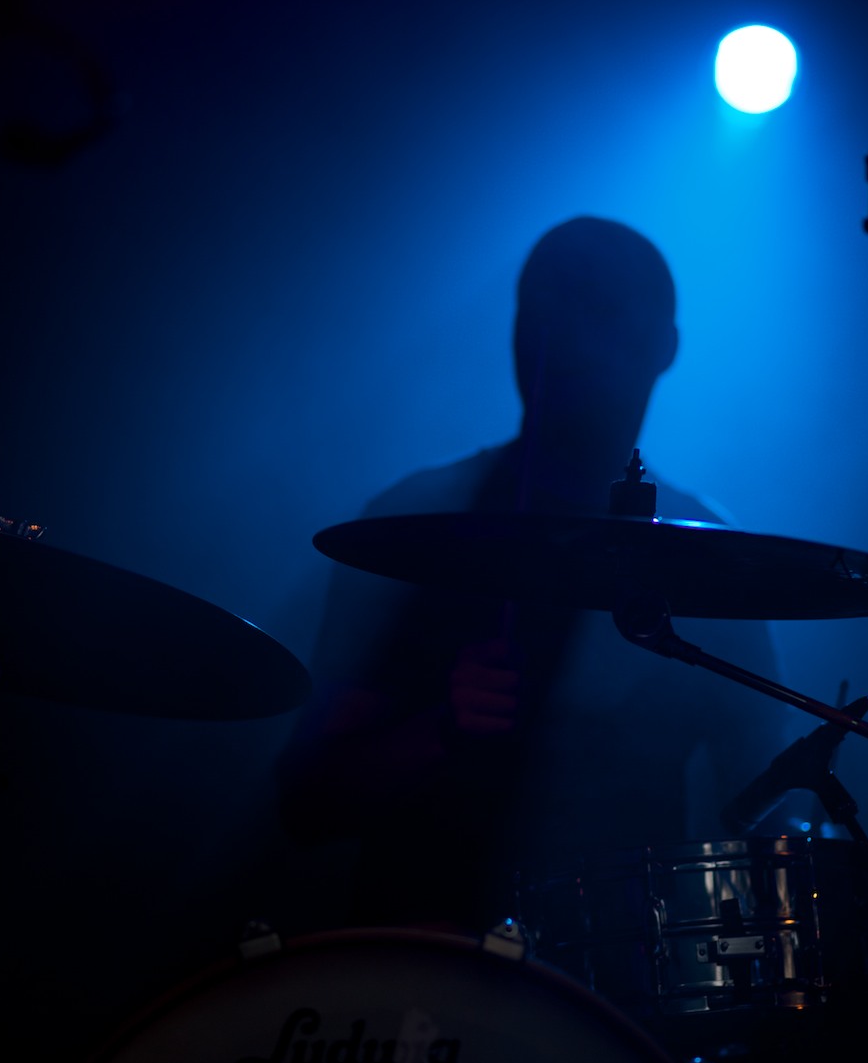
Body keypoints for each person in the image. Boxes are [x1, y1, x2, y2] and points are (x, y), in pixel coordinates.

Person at [278, 215, 794, 942]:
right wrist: (442, 729)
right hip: (423, 979)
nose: (571, 341)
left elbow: (773, 809)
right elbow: (306, 803)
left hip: (618, 988)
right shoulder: (412, 525)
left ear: (664, 347)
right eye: (548, 312)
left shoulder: (713, 559)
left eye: (602, 312)